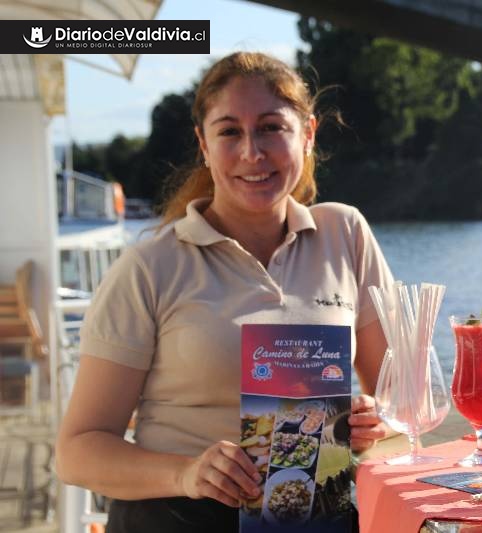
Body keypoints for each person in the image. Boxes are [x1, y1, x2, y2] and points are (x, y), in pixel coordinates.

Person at [56, 52, 391, 532]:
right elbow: (77, 452)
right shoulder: (151, 265)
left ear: (309, 134)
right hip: (176, 517)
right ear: (204, 144)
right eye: (230, 131)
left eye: (272, 127)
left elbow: (403, 404)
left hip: (315, 516)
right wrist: (187, 472)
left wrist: (374, 422)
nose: (252, 151)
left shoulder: (346, 234)